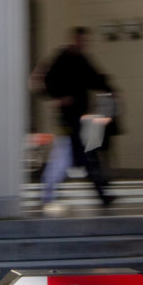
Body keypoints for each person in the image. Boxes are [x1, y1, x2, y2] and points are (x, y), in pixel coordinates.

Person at [41, 27, 116, 209]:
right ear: (74, 39)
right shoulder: (62, 59)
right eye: (82, 40)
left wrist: (109, 88)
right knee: (73, 154)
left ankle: (101, 192)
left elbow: (95, 78)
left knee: (86, 152)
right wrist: (59, 97)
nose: (84, 44)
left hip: (83, 116)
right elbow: (47, 80)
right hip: (69, 117)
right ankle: (100, 192)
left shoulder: (82, 60)